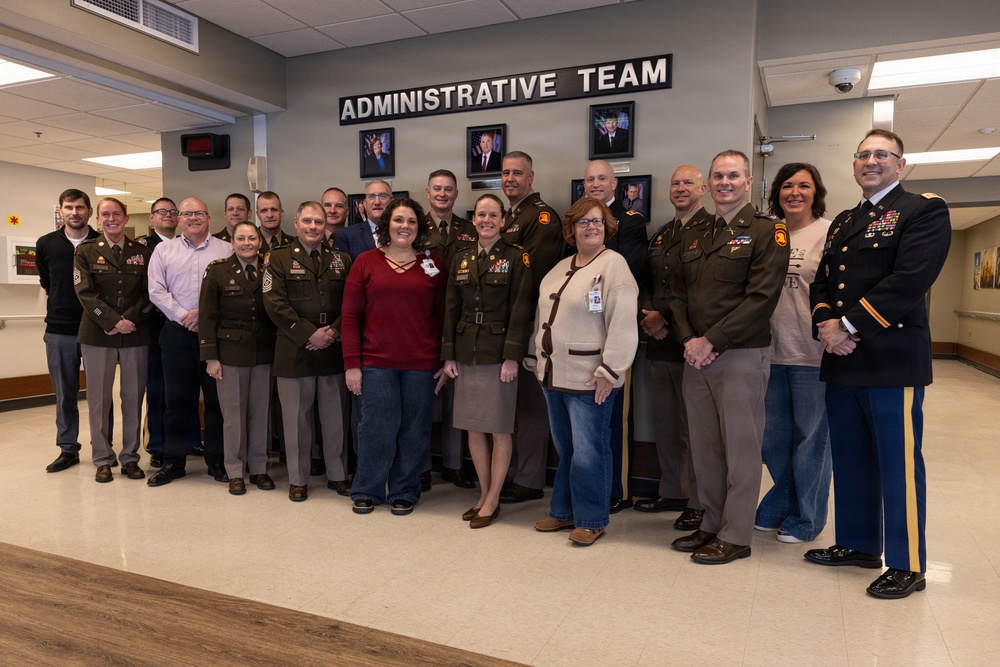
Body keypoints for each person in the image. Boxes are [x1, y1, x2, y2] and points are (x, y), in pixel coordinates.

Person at [805, 130, 951, 599]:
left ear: (900, 164)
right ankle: (858, 543)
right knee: (851, 459)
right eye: (863, 154)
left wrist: (847, 326)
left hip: (891, 359)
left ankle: (907, 564)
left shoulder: (923, 210)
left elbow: (910, 280)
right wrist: (827, 325)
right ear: (854, 164)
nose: (871, 161)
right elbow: (823, 282)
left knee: (898, 464)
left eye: (881, 154)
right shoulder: (845, 220)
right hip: (842, 360)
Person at [668, 150, 788, 564]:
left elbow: (761, 298)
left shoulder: (767, 230)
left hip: (738, 354)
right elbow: (677, 295)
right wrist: (688, 339)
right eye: (718, 176)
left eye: (733, 176)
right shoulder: (696, 233)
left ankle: (736, 534)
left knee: (740, 448)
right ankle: (711, 523)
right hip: (695, 356)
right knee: (705, 447)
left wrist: (710, 340)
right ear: (710, 184)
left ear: (748, 182)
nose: (725, 182)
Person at [528, 197, 639, 546]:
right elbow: (541, 317)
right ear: (571, 229)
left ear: (606, 227)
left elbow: (622, 322)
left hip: (590, 377)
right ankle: (563, 512)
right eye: (583, 222)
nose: (591, 227)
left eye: (597, 221)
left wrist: (610, 370)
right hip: (553, 376)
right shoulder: (560, 268)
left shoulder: (614, 265)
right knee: (567, 450)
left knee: (591, 450)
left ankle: (592, 518)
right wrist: (536, 359)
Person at [342, 197, 446, 516]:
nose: (405, 226)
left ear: (419, 227)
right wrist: (352, 366)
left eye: (412, 221)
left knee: (414, 430)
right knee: (375, 428)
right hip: (376, 364)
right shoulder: (366, 262)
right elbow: (349, 318)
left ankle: (404, 489)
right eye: (399, 220)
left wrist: (444, 361)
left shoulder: (433, 263)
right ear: (387, 224)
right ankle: (368, 488)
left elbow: (444, 316)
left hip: (421, 365)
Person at [441, 194, 532, 528]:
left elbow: (522, 308)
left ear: (503, 220)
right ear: (474, 218)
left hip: (497, 354)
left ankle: (493, 499)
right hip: (467, 351)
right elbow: (450, 307)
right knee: (473, 427)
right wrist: (448, 353)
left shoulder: (516, 256)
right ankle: (483, 493)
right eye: (481, 214)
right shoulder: (462, 258)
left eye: (493, 215)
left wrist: (512, 356)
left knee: (499, 428)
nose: (486, 220)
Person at [753, 163, 833, 544]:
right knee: (774, 439)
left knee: (811, 440)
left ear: (816, 192)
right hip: (769, 352)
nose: (795, 192)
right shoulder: (769, 232)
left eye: (804, 185)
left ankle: (808, 517)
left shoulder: (829, 232)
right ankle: (782, 500)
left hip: (812, 354)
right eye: (788, 185)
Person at [634, 165, 712, 531]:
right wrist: (649, 314)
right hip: (658, 342)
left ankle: (699, 500)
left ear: (704, 188)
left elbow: (700, 289)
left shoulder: (712, 229)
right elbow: (647, 280)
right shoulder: (663, 234)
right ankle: (673, 489)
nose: (680, 188)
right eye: (675, 183)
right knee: (665, 422)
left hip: (691, 341)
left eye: (688, 183)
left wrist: (663, 317)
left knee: (695, 427)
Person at [263, 202, 352, 502]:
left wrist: (333, 331)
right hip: (294, 350)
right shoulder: (277, 257)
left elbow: (352, 302)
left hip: (332, 348)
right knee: (296, 421)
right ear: (297, 222)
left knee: (335, 418)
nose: (314, 227)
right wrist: (308, 333)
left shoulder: (342, 258)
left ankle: (338, 475)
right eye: (308, 221)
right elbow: (274, 302)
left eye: (319, 222)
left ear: (326, 225)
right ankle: (298, 479)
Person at [146, 197, 233, 486]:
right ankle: (174, 462)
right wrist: (185, 315)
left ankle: (218, 461)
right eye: (186, 214)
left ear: (209, 218)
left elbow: (233, 293)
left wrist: (205, 315)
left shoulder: (227, 249)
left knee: (216, 403)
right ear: (178, 218)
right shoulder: (163, 250)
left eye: (198, 213)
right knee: (177, 402)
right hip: (176, 334)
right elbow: (156, 291)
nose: (193, 218)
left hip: (216, 337)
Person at [497, 151, 565, 504]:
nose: (510, 179)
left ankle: (529, 479)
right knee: (514, 405)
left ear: (531, 177)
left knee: (530, 407)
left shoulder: (540, 217)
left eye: (517, 173)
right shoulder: (509, 216)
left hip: (527, 322)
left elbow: (531, 276)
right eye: (506, 173)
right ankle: (515, 472)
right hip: (507, 322)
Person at [583, 159, 649, 513]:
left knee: (614, 416)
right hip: (580, 333)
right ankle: (590, 483)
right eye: (590, 179)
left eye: (602, 179)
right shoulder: (577, 221)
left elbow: (630, 272)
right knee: (586, 414)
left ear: (615, 185)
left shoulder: (631, 222)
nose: (595, 183)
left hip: (614, 329)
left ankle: (617, 489)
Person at [73, 197, 153, 483]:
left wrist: (129, 319)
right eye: (105, 214)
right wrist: (111, 321)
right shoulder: (85, 251)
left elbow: (149, 292)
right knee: (99, 399)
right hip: (97, 334)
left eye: (116, 214)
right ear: (98, 219)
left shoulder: (141, 252)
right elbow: (84, 291)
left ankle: (130, 457)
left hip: (135, 332)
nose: (111, 219)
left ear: (126, 217)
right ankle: (103, 458)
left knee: (133, 397)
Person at [200, 221, 278, 495]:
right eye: (241, 238)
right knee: (233, 416)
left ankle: (258, 468)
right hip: (230, 354)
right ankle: (234, 469)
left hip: (264, 352)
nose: (247, 243)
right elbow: (207, 316)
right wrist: (210, 357)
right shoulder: (218, 270)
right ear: (232, 242)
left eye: (252, 238)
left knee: (260, 413)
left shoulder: (270, 269)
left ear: (259, 242)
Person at [36, 189, 102, 473]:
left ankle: (103, 446)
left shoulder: (102, 242)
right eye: (68, 207)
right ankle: (68, 448)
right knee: (65, 393)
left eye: (79, 207)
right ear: (61, 211)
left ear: (89, 211)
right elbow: (47, 281)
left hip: (97, 330)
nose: (74, 212)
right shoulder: (46, 243)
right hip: (60, 330)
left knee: (100, 394)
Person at [425, 169, 478, 489]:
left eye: (448, 189)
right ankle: (419, 465)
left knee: (456, 398)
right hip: (424, 317)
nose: (442, 194)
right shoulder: (414, 226)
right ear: (427, 192)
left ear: (456, 194)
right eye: (437, 189)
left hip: (457, 320)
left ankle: (454, 464)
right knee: (421, 397)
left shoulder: (468, 228)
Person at [136, 198, 178, 468]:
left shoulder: (186, 246)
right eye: (162, 211)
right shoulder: (141, 249)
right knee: (157, 390)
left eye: (173, 212)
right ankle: (158, 445)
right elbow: (141, 290)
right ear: (151, 217)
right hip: (153, 328)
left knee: (181, 390)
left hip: (183, 329)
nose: (168, 216)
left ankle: (182, 439)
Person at [335, 179, 390, 260]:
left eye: (383, 196)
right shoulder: (347, 235)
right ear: (364, 203)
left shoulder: (403, 233)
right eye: (371, 197)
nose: (377, 202)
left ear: (392, 202)